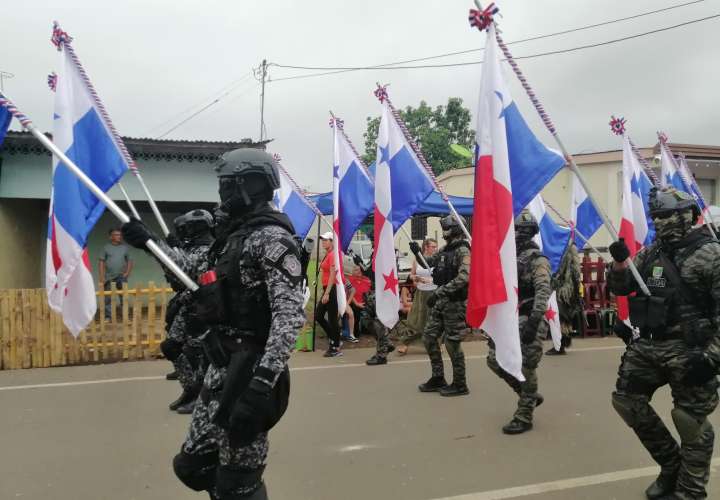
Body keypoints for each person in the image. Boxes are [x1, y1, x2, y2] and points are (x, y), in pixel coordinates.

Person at [122, 148, 305, 499]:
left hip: (253, 370)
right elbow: (189, 272)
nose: (222, 192)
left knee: (238, 479)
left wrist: (262, 385)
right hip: (220, 365)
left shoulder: (272, 239)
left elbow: (288, 317)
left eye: (227, 184)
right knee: (194, 465)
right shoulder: (232, 238)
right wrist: (150, 244)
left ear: (250, 185)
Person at [607, 187, 720, 500]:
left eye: (667, 215)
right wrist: (619, 263)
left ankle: (690, 491)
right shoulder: (653, 250)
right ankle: (671, 466)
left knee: (690, 421)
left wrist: (712, 358)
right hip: (650, 345)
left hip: (692, 351)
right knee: (627, 402)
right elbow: (623, 286)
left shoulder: (711, 254)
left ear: (688, 215)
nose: (661, 221)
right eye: (656, 216)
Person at [487, 209, 550, 434]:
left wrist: (534, 321)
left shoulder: (537, 259)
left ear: (532, 233)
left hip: (531, 316)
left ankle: (524, 415)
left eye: (524, 231)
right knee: (495, 360)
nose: (519, 234)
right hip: (510, 318)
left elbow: (543, 290)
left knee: (527, 366)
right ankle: (529, 395)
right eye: (517, 230)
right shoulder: (508, 257)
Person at [410, 215, 470, 397]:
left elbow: (464, 277)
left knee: (452, 343)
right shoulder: (446, 250)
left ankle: (460, 384)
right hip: (442, 301)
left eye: (448, 227)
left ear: (457, 229)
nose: (445, 231)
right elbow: (428, 263)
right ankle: (438, 377)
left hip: (455, 303)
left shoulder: (463, 251)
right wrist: (416, 252)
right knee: (429, 337)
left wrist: (440, 292)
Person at [162, 209, 215, 415]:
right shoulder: (192, 248)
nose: (186, 232)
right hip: (187, 306)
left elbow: (196, 284)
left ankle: (200, 396)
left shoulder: (208, 250)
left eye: (189, 228)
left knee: (199, 355)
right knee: (171, 347)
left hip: (201, 308)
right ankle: (190, 389)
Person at [398, 238, 438, 355]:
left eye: (436, 247)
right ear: (426, 247)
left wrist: (430, 280)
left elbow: (441, 276)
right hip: (420, 293)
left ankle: (436, 344)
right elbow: (411, 275)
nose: (435, 249)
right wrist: (415, 278)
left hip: (433, 292)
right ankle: (405, 344)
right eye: (433, 247)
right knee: (414, 319)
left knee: (433, 320)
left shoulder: (437, 260)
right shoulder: (417, 260)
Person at [547, 241, 581, 355]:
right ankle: (561, 343)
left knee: (561, 316)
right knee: (563, 316)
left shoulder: (566, 249)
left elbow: (567, 271)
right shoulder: (567, 247)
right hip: (567, 287)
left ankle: (560, 345)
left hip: (564, 288)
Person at [315, 232, 342, 357]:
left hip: (332, 289)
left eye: (326, 240)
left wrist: (327, 293)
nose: (323, 242)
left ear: (332, 241)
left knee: (331, 318)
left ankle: (335, 347)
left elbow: (332, 274)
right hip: (328, 288)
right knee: (318, 315)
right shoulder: (327, 254)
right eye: (322, 240)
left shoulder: (332, 255)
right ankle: (335, 339)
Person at [98, 228, 133, 320]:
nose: (119, 237)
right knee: (108, 297)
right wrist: (102, 276)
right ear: (111, 237)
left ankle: (125, 316)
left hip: (121, 276)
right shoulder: (106, 248)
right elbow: (101, 262)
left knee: (124, 296)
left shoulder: (125, 248)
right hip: (108, 277)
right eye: (116, 235)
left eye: (120, 235)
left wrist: (127, 273)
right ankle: (108, 317)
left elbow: (129, 261)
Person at [347, 265, 371, 337]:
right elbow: (348, 293)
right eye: (356, 270)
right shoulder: (350, 280)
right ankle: (355, 332)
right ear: (352, 272)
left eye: (359, 269)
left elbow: (371, 291)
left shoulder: (366, 279)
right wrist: (357, 303)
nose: (359, 271)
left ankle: (367, 329)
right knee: (356, 310)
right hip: (353, 302)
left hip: (366, 302)